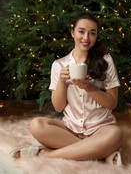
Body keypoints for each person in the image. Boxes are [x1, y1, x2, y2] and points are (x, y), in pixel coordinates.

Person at [10, 12, 123, 165]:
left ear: (96, 36)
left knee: (115, 134)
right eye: (81, 31)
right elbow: (58, 107)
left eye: (92, 33)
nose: (86, 38)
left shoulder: (106, 61)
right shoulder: (59, 65)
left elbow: (111, 104)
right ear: (73, 32)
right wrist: (62, 82)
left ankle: (45, 154)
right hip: (71, 127)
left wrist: (88, 87)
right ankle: (100, 152)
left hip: (100, 127)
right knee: (37, 125)